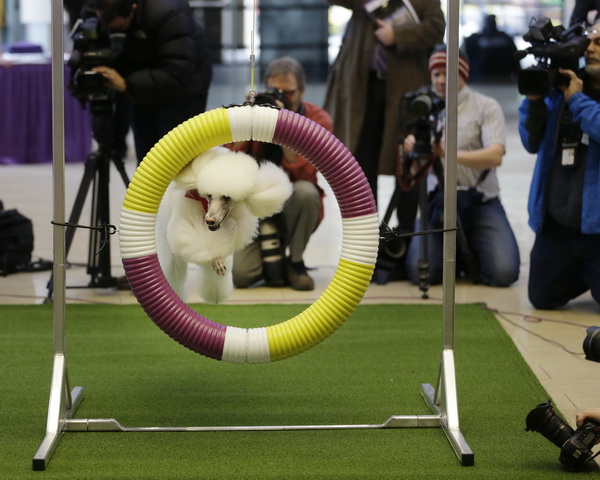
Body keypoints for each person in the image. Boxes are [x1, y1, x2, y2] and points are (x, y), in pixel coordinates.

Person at [323, 0, 445, 234]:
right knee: (361, 163)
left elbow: (437, 28)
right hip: (361, 88)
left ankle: (405, 236)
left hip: (404, 88)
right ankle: (365, 237)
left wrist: (397, 34)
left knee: (407, 158)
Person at [404, 45, 520, 287]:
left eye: (448, 73)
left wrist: (450, 153)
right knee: (419, 272)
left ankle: (468, 251)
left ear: (463, 74)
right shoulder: (425, 109)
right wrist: (412, 149)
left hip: (481, 201)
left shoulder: (486, 106)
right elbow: (415, 173)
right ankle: (458, 254)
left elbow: (495, 155)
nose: (441, 80)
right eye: (436, 74)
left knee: (503, 273)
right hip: (438, 202)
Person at [227, 57, 332, 291]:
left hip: (294, 207)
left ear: (302, 91)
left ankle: (295, 262)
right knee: (242, 277)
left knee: (306, 192)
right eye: (276, 91)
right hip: (253, 205)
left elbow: (305, 173)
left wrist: (284, 126)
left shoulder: (318, 119)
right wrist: (247, 121)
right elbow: (230, 162)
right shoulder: (254, 112)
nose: (282, 97)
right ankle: (271, 253)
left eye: (290, 92)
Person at [517, 23, 600, 310]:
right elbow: (530, 142)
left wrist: (577, 99)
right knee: (542, 298)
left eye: (599, 43)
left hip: (597, 231)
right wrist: (535, 102)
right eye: (588, 42)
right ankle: (584, 274)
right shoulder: (559, 89)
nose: (590, 49)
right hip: (556, 227)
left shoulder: (572, 94)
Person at [89, 0, 212, 163]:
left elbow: (178, 72)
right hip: (144, 86)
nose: (115, 35)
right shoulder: (98, 10)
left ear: (132, 8)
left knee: (174, 164)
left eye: (120, 29)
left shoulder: (167, 13)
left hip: (183, 90)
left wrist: (127, 84)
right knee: (147, 164)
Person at [462, 14, 519, 83]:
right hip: (484, 80)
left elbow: (516, 59)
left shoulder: (473, 39)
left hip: (499, 80)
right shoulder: (506, 38)